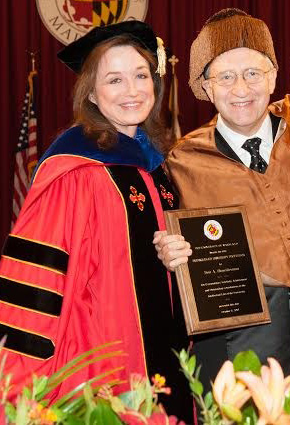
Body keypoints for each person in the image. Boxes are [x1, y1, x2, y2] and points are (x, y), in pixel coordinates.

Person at [0, 21, 192, 420]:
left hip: (168, 350)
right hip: (100, 356)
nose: (133, 90)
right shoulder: (74, 171)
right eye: (115, 80)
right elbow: (38, 280)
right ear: (91, 92)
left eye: (141, 75)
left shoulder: (155, 165)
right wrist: (34, 380)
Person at [154, 8, 290, 388]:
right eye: (225, 77)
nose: (241, 89)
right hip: (246, 336)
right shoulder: (182, 161)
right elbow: (164, 234)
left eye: (252, 73)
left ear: (274, 76)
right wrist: (167, 248)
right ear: (207, 88)